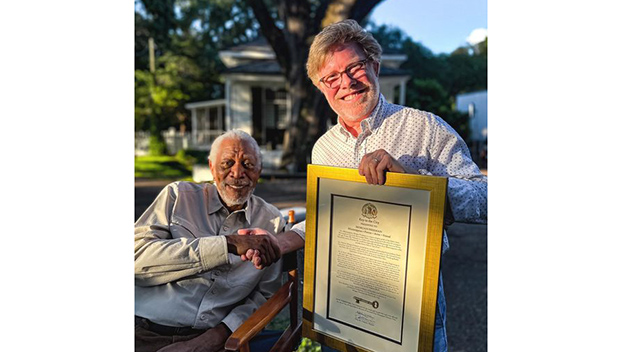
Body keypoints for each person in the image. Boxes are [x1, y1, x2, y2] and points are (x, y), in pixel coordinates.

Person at [240, 19, 487, 352]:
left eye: (354, 67)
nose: (346, 83)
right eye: (331, 77)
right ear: (320, 86)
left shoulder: (426, 127)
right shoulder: (323, 148)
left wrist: (410, 184)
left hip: (408, 309)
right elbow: (325, 220)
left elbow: (484, 199)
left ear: (374, 65)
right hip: (340, 305)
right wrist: (278, 241)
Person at [135, 130, 285, 352]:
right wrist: (227, 245)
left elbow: (265, 295)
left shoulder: (271, 221)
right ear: (212, 167)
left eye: (247, 164)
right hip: (145, 332)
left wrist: (215, 337)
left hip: (216, 341)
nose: (237, 173)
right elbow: (136, 260)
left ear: (259, 171)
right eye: (227, 163)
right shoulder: (178, 196)